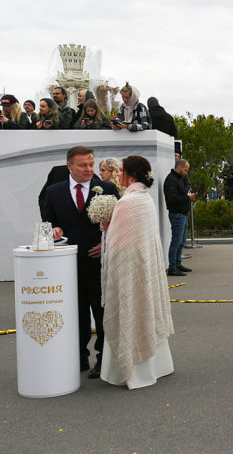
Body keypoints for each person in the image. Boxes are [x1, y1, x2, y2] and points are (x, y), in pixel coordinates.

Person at [41, 145, 120, 377]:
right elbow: (48, 223)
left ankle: (103, 359)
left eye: (91, 164)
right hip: (67, 264)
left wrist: (105, 245)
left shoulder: (107, 189)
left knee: (101, 310)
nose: (89, 169)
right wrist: (53, 230)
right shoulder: (54, 192)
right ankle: (78, 358)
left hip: (98, 263)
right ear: (69, 166)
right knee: (75, 312)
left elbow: (118, 225)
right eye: (83, 165)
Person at [99, 156, 176, 388]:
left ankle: (133, 371)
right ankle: (157, 366)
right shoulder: (144, 198)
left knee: (131, 311)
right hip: (144, 266)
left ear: (130, 176)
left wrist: (108, 228)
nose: (118, 174)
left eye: (121, 170)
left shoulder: (127, 202)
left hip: (130, 269)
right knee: (146, 310)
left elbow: (116, 244)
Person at [164, 159, 194, 276]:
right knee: (176, 241)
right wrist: (187, 198)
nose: (186, 173)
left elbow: (187, 186)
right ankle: (172, 266)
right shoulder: (171, 180)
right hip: (176, 213)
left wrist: (186, 194)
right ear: (180, 167)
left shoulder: (181, 178)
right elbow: (172, 199)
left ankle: (177, 263)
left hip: (183, 213)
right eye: (185, 170)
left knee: (181, 241)